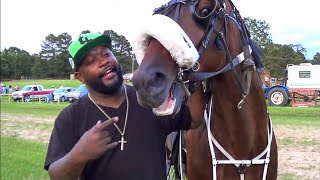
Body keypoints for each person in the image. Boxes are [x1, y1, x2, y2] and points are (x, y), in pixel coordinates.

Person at [44, 32, 192, 180]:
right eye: (91, 61)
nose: (103, 61)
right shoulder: (70, 117)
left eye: (106, 54)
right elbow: (56, 175)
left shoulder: (148, 98)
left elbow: (193, 120)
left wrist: (193, 76)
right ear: (79, 76)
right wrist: (79, 154)